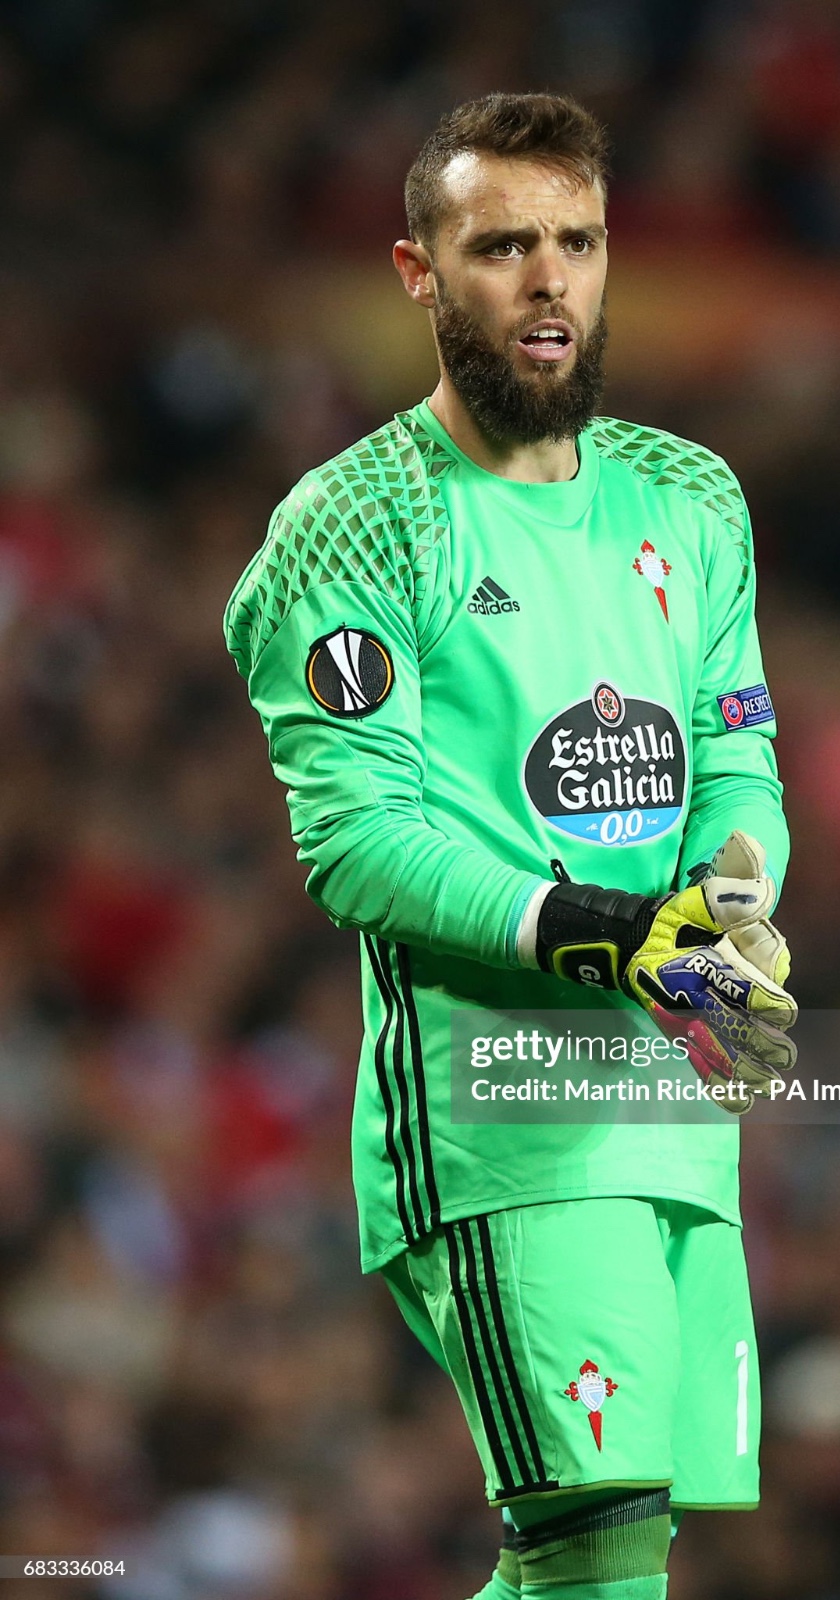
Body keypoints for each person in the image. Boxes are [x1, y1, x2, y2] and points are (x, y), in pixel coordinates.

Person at [225, 91, 795, 1600]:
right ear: (419, 274)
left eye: (577, 241)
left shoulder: (691, 496)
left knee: (616, 1558)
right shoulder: (352, 528)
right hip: (498, 1118)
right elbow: (358, 842)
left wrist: (734, 907)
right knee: (597, 1552)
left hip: (667, 1103)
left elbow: (737, 752)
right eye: (501, 247)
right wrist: (608, 930)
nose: (548, 280)